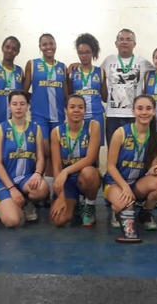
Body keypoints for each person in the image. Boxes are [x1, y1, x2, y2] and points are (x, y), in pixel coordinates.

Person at [96, 29, 157, 147]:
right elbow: (95, 73)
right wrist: (77, 65)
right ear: (116, 43)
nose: (124, 42)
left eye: (129, 39)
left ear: (134, 44)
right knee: (113, 151)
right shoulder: (108, 60)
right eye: (121, 39)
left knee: (135, 152)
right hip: (113, 116)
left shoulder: (142, 62)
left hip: (135, 115)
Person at [103, 94, 157, 243]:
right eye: (140, 108)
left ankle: (145, 212)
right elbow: (110, 166)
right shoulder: (121, 133)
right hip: (115, 183)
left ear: (153, 112)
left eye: (148, 108)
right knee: (124, 203)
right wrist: (124, 186)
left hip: (136, 184)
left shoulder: (154, 137)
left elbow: (152, 168)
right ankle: (119, 210)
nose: (144, 112)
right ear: (133, 111)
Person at [0, 90, 49, 228]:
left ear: (28, 106)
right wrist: (11, 188)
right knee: (12, 221)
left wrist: (37, 174)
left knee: (42, 188)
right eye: (14, 104)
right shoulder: (0, 128)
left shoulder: (35, 128)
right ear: (9, 106)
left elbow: (40, 158)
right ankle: (7, 204)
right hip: (3, 182)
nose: (18, 107)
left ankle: (27, 201)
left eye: (22, 104)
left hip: (25, 177)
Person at [23, 33, 68, 190]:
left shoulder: (62, 67)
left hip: (58, 117)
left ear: (55, 45)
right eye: (44, 44)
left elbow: (66, 93)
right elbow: (23, 90)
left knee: (56, 153)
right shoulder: (32, 64)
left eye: (51, 43)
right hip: (39, 116)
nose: (48, 47)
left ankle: (51, 188)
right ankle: (40, 186)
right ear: (40, 47)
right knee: (43, 151)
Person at [49, 95, 101, 227]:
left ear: (85, 110)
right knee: (59, 220)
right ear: (65, 110)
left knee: (89, 172)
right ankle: (75, 204)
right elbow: (56, 167)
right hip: (66, 182)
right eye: (72, 107)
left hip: (84, 177)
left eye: (80, 107)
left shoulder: (93, 126)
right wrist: (60, 197)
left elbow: (90, 158)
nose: (76, 110)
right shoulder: (56, 132)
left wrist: (65, 171)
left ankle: (90, 205)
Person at [67, 33, 107, 146]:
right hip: (78, 116)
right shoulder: (71, 72)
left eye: (87, 52)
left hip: (97, 116)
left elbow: (105, 98)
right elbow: (69, 96)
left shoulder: (100, 72)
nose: (84, 56)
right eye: (81, 53)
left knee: (95, 151)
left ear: (93, 52)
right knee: (79, 148)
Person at [0, 36, 23, 125]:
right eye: (7, 47)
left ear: (17, 52)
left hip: (14, 123)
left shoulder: (20, 71)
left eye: (14, 49)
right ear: (2, 48)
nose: (10, 50)